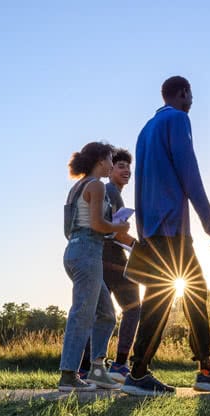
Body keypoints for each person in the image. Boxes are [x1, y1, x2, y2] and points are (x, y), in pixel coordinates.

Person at [122, 76, 210, 396]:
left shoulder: (145, 130)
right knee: (191, 293)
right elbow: (190, 175)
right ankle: (200, 370)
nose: (192, 101)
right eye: (190, 95)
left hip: (152, 228)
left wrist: (144, 232)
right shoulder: (178, 119)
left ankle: (144, 372)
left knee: (162, 298)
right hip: (173, 226)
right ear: (182, 92)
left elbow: (141, 183)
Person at [59, 142, 132, 392]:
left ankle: (97, 370)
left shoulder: (76, 188)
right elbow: (99, 225)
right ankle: (68, 375)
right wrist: (119, 227)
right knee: (82, 313)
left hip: (76, 251)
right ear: (101, 160)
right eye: (111, 160)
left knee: (106, 315)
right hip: (88, 254)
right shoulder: (97, 185)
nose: (113, 165)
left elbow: (74, 227)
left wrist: (108, 230)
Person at [78, 148, 141, 383]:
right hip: (112, 260)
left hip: (105, 259)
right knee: (133, 308)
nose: (126, 170)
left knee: (100, 314)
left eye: (128, 166)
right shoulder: (110, 192)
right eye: (120, 166)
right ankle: (120, 364)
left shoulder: (112, 193)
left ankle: (85, 368)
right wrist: (139, 246)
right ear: (110, 170)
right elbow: (113, 232)